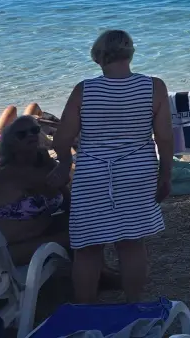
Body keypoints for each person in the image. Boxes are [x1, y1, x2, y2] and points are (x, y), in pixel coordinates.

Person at [52, 29, 172, 304]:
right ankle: (133, 304)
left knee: (87, 248)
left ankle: (85, 311)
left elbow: (61, 139)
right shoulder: (154, 87)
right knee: (131, 244)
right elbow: (164, 137)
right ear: (130, 54)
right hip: (137, 172)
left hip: (93, 173)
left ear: (99, 58)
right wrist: (165, 173)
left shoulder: (85, 90)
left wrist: (65, 162)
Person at [0, 115, 71, 265]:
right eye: (22, 134)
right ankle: (98, 276)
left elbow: (68, 202)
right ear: (12, 144)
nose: (30, 135)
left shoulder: (42, 163)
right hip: (7, 250)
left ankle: (94, 273)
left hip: (36, 233)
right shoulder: (9, 174)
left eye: (34, 130)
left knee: (82, 223)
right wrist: (60, 159)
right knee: (80, 234)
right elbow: (56, 182)